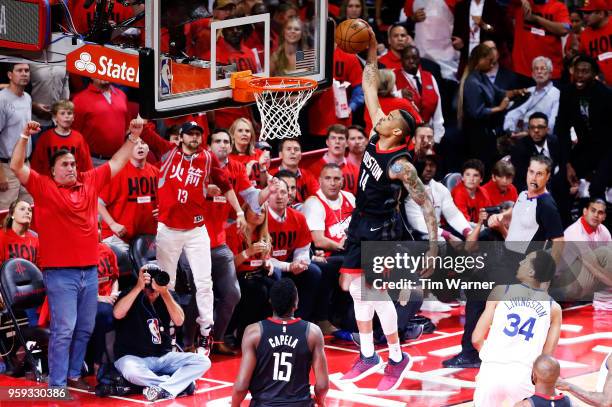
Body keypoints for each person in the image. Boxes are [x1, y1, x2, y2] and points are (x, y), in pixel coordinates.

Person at [338, 26, 438, 392]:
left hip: (383, 229)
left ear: (398, 133)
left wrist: (430, 249)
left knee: (372, 291)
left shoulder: (401, 165)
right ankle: (369, 355)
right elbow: (368, 86)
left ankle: (395, 356)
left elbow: (427, 205)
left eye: (390, 118)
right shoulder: (379, 132)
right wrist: (371, 52)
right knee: (355, 289)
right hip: (360, 221)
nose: (380, 116)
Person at [10, 117, 143, 389]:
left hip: (90, 271)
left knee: (84, 329)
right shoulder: (44, 187)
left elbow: (117, 162)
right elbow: (15, 166)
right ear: (54, 171)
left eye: (73, 163)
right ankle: (57, 384)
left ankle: (72, 376)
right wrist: (24, 136)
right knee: (64, 330)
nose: (71, 168)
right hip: (60, 275)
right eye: (65, 165)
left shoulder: (89, 180)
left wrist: (132, 137)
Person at [155, 121, 246, 355]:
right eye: (190, 135)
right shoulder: (167, 152)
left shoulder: (207, 158)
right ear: (181, 137)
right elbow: (145, 131)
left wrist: (239, 211)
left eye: (198, 134)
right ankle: (170, 330)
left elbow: (225, 184)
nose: (194, 138)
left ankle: (206, 330)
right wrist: (139, 124)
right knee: (167, 283)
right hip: (168, 229)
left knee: (204, 282)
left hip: (196, 229)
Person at [472, 250, 562, 406]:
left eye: (526, 261)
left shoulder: (500, 291)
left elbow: (476, 339)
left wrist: (488, 357)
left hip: (491, 370)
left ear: (531, 272)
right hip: (523, 373)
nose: (521, 262)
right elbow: (546, 356)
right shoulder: (553, 307)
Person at [113, 265, 210, 402]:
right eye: (149, 287)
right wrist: (138, 287)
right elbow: (117, 313)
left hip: (162, 356)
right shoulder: (131, 293)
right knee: (131, 372)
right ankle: (176, 385)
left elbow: (179, 321)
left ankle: (164, 388)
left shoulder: (167, 295)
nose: (152, 291)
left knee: (203, 361)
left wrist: (164, 293)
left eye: (154, 285)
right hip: (132, 357)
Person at [231, 278, 329, 407]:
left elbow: (241, 386)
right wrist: (321, 403)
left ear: (270, 301)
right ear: (296, 303)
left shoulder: (253, 332)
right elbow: (322, 386)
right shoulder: (313, 332)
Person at [457, 44, 523, 175]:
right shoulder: (472, 82)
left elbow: (499, 93)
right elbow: (477, 112)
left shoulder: (482, 77)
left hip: (486, 134)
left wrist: (516, 92)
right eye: (490, 61)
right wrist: (500, 108)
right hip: (476, 136)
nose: (493, 65)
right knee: (482, 170)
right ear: (480, 60)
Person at [555, 55, 612, 197]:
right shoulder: (567, 93)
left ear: (594, 74)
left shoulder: (605, 95)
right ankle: (565, 219)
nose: (580, 75)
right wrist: (567, 163)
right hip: (586, 148)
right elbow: (562, 129)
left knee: (596, 188)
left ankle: (601, 219)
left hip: (608, 149)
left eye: (585, 71)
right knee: (559, 181)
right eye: (577, 71)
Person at [98, 139, 159, 252]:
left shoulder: (155, 172)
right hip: (118, 238)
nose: (140, 146)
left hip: (147, 238)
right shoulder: (117, 172)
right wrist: (112, 224)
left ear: (148, 148)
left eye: (143, 143)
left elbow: (165, 202)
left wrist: (163, 211)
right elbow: (98, 203)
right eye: (135, 144)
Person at [405, 154, 475, 242]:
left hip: (439, 230)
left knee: (472, 234)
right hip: (418, 234)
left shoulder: (440, 188)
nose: (428, 169)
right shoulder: (409, 189)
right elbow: (418, 223)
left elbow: (453, 216)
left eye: (432, 165)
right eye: (425, 165)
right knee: (441, 240)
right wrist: (447, 235)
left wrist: (468, 233)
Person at [505, 0, 570, 85]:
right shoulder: (520, 5)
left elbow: (564, 29)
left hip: (550, 73)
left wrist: (536, 19)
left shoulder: (558, 6)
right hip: (522, 71)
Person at [72, 79, 131, 167]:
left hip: (119, 159)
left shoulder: (122, 95)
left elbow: (126, 128)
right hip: (93, 161)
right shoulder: (79, 99)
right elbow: (74, 134)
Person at [394, 46, 445, 143]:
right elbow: (386, 100)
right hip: (404, 138)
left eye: (414, 58)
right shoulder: (394, 77)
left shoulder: (429, 76)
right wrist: (399, 94)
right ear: (401, 60)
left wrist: (437, 139)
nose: (411, 61)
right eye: (407, 58)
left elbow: (438, 114)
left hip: (428, 136)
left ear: (419, 59)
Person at [0, 200, 39, 325]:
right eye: (22, 209)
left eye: (29, 210)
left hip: (31, 289)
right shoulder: (2, 236)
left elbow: (41, 268)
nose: (27, 212)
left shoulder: (35, 238)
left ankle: (34, 341)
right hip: (7, 288)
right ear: (12, 214)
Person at [30, 100, 93, 177]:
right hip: (49, 183)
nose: (66, 116)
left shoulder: (79, 138)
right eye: (62, 113)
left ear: (73, 117)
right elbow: (36, 164)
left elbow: (86, 164)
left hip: (73, 183)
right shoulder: (45, 137)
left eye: (69, 113)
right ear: (55, 118)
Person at [0, 63, 33, 210]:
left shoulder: (27, 97)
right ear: (10, 75)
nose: (24, 73)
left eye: (26, 70)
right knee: (5, 214)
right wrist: (0, 173)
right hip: (7, 167)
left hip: (25, 164)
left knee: (28, 209)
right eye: (19, 70)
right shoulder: (2, 100)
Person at [504, 56, 559, 138]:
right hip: (519, 134)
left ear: (550, 73)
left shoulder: (556, 94)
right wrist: (510, 130)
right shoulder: (528, 91)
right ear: (532, 74)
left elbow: (552, 123)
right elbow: (514, 113)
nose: (539, 71)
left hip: (541, 136)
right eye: (536, 69)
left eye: (543, 68)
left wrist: (529, 133)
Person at [510, 112, 563, 193]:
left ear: (547, 129)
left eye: (540, 127)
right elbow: (520, 179)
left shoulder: (555, 142)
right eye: (532, 127)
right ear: (528, 129)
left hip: (556, 188)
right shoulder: (520, 148)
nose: (536, 130)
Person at [363, 69, 419, 136]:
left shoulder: (369, 104)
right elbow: (418, 123)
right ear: (391, 85)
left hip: (373, 143)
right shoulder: (403, 103)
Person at [309, 124, 359, 195]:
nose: (337, 142)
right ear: (327, 142)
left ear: (347, 143)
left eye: (341, 138)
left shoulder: (355, 170)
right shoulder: (313, 170)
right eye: (333, 138)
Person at [271, 138, 319, 203]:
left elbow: (319, 197)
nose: (293, 152)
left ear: (300, 156)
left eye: (296, 149)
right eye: (288, 149)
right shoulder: (271, 175)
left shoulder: (308, 175)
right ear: (280, 155)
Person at [228, 118, 269, 188]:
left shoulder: (259, 154)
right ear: (233, 135)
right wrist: (246, 173)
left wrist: (262, 168)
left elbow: (264, 185)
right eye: (240, 131)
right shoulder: (227, 158)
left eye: (247, 131)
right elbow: (231, 188)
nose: (244, 134)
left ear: (251, 135)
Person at [579, 0, 612, 85]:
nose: (585, 16)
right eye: (584, 13)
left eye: (589, 13)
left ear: (601, 13)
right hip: (600, 88)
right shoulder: (584, 35)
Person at [451, 159, 492, 225]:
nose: (471, 179)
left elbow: (489, 215)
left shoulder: (483, 192)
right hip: (458, 228)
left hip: (477, 227)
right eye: (468, 175)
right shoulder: (459, 193)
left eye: (475, 175)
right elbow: (463, 223)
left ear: (481, 179)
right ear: (462, 177)